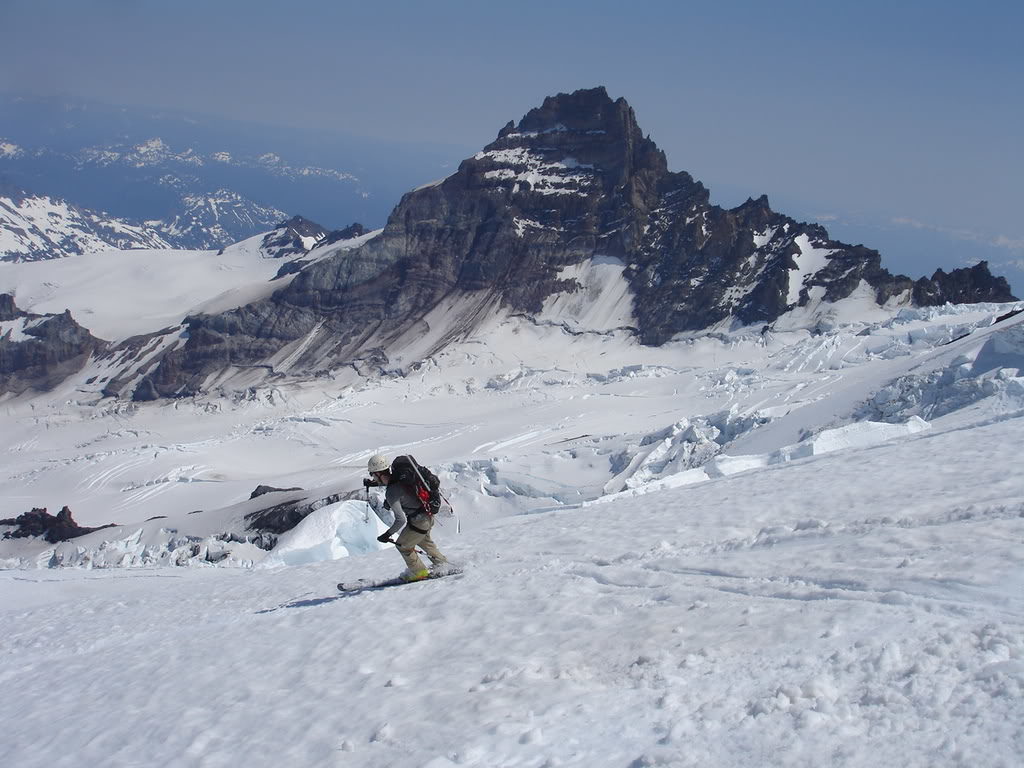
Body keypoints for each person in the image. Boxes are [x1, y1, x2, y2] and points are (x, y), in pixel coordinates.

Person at [366, 454, 448, 582]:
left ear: (379, 473)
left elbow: (400, 520)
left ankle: (419, 572)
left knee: (403, 545)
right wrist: (372, 484)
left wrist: (387, 534)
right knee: (424, 542)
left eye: (373, 475)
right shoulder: (400, 478)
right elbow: (396, 488)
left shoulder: (391, 492)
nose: (373, 478)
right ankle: (443, 565)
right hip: (427, 516)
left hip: (418, 522)